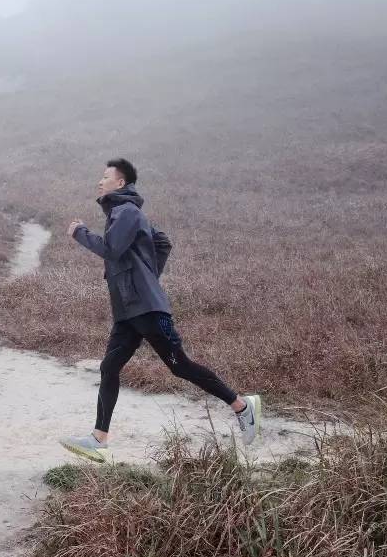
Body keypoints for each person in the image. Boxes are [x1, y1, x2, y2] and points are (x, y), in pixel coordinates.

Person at [61, 157, 261, 462]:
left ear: (120, 183)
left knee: (180, 366)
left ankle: (242, 407)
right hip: (128, 311)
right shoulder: (123, 213)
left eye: (105, 177)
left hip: (146, 310)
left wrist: (80, 232)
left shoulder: (126, 212)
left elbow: (112, 249)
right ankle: (98, 438)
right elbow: (162, 243)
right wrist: (146, 275)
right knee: (109, 367)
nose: (99, 182)